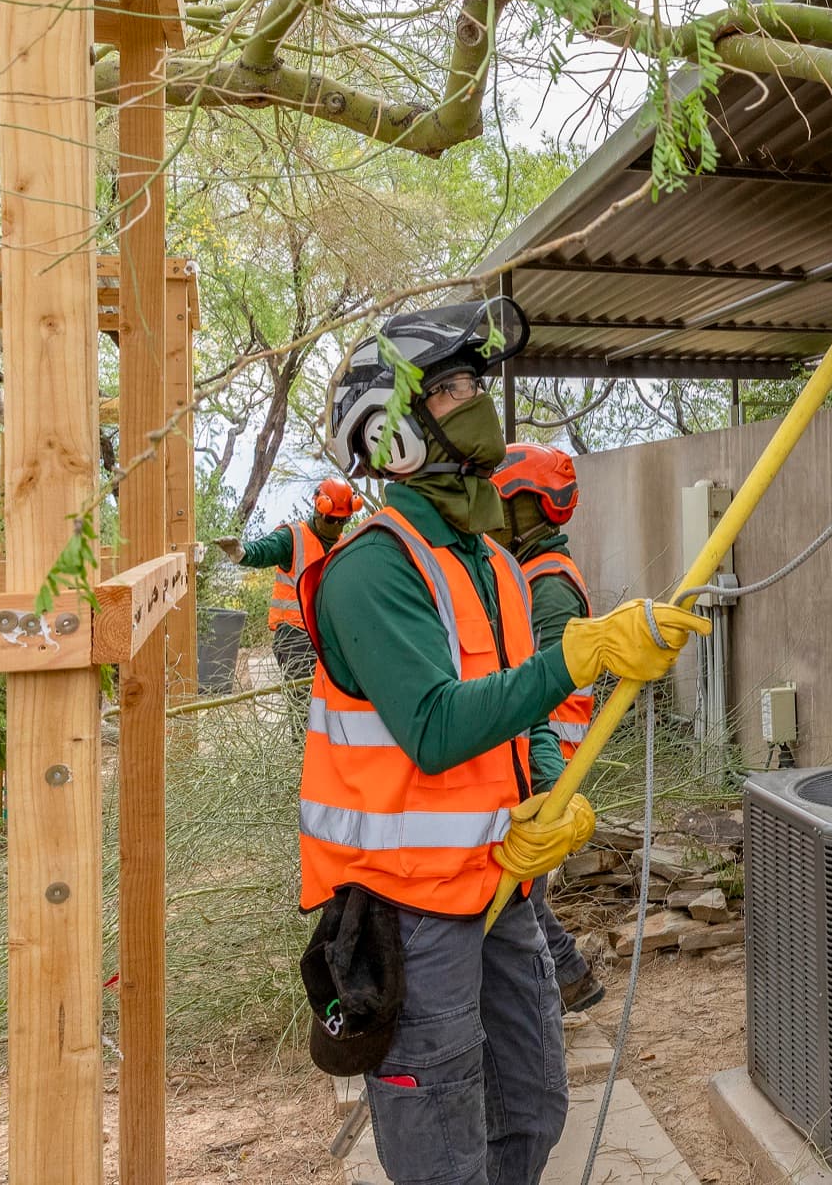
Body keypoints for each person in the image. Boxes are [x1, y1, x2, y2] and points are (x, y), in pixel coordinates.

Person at [298, 297, 709, 1185]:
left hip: (501, 884)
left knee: (531, 1105)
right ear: (393, 432)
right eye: (450, 389)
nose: (477, 402)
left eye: (473, 384)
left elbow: (523, 719)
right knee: (443, 1146)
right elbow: (437, 728)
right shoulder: (373, 568)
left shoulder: (490, 564)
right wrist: (579, 656)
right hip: (410, 913)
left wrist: (551, 795)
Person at [490, 441, 604, 1013]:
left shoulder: (548, 584)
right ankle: (571, 980)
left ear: (527, 506)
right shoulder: (528, 574)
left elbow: (544, 683)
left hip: (546, 755)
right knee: (520, 889)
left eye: (500, 504)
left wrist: (542, 770)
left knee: (518, 890)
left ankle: (560, 984)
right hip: (534, 752)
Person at [221, 478, 364, 688]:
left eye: (342, 521)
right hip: (295, 635)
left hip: (328, 636)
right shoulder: (293, 537)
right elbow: (265, 549)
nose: (336, 525)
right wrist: (242, 553)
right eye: (331, 519)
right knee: (303, 697)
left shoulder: (344, 545)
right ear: (318, 510)